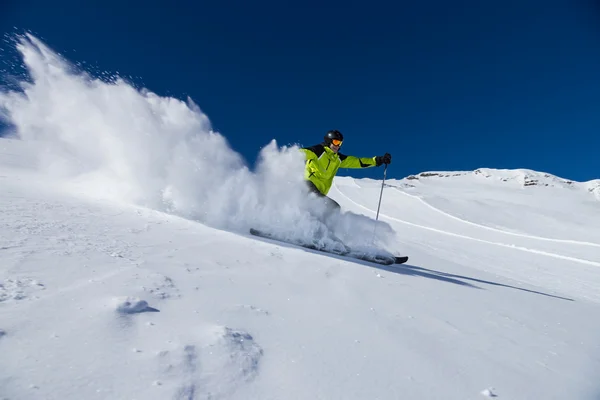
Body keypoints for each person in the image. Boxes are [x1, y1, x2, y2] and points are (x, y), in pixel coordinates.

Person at [300, 129, 391, 215]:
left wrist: (378, 160)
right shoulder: (319, 151)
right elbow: (302, 153)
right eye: (336, 142)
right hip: (308, 186)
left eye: (340, 143)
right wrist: (290, 157)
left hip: (320, 191)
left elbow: (358, 162)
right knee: (333, 208)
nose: (338, 146)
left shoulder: (338, 159)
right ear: (329, 141)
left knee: (328, 211)